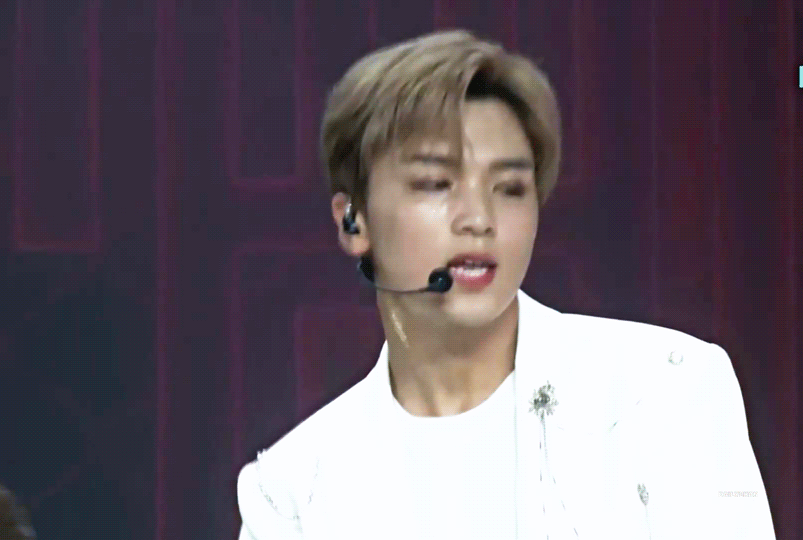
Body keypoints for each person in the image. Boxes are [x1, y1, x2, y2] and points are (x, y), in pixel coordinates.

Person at [236, 29, 775, 539]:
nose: (479, 218)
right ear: (354, 221)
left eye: (510, 188)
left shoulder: (666, 391)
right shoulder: (292, 490)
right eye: (436, 183)